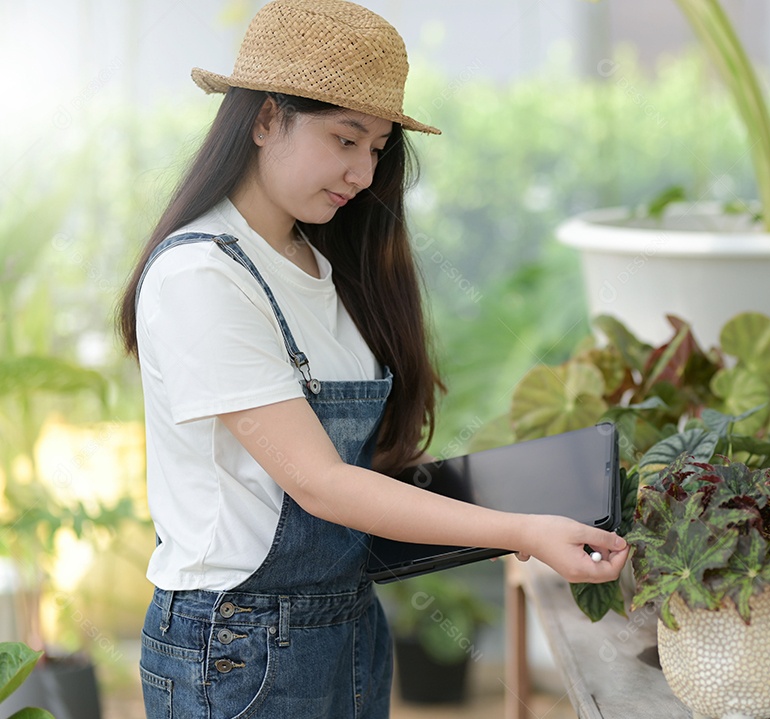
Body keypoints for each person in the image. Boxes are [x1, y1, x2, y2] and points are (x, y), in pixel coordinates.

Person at [116, 1, 628, 716]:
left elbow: (354, 475)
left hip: (346, 622)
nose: (363, 170)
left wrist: (526, 490)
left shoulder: (321, 267)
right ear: (265, 120)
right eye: (345, 139)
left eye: (378, 147)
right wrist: (522, 528)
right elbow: (321, 485)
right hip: (239, 643)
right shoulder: (204, 277)